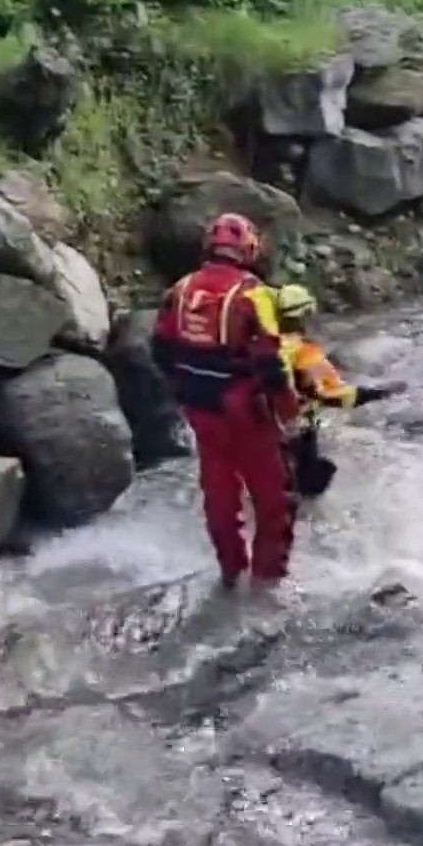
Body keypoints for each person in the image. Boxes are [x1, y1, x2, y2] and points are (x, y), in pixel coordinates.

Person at [151, 212, 299, 590]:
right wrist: (290, 416)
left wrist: (183, 390)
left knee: (219, 496)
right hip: (248, 414)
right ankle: (267, 583)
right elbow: (270, 363)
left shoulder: (180, 290)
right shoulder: (255, 294)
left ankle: (231, 573)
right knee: (273, 502)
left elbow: (161, 350)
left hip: (202, 412)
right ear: (248, 249)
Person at [272, 283, 406, 498]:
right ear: (306, 315)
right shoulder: (305, 352)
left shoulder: (262, 343)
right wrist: (378, 393)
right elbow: (331, 394)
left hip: (258, 422)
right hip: (295, 425)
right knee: (312, 480)